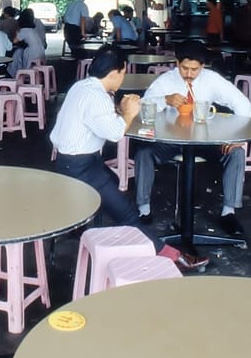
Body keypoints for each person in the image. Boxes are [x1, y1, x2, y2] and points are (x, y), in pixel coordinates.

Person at [49, 45, 209, 272]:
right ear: (114, 73)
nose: (123, 78)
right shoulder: (97, 97)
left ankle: (86, 228)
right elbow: (115, 133)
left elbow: (98, 117)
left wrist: (121, 109)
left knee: (113, 183)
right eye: (123, 73)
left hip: (70, 161)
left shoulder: (81, 86)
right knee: (128, 215)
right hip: (81, 167)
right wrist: (128, 114)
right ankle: (172, 256)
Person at [133, 41, 251, 235]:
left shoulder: (212, 80)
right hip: (171, 140)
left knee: (237, 153)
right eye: (184, 68)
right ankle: (143, 209)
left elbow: (243, 105)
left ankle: (228, 212)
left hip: (204, 139)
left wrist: (236, 137)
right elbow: (144, 106)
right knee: (143, 152)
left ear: (203, 66)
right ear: (177, 63)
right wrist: (165, 100)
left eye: (194, 69)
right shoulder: (166, 81)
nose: (189, 73)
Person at [8, 12, 46, 76]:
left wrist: (16, 31)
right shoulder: (32, 30)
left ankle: (20, 75)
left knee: (17, 54)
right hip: (41, 51)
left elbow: (14, 41)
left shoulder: (24, 30)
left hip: (32, 52)